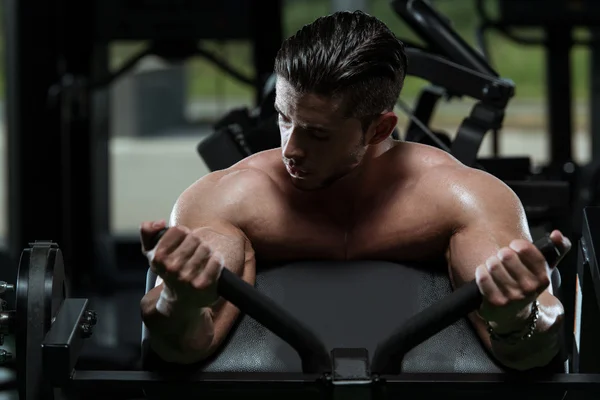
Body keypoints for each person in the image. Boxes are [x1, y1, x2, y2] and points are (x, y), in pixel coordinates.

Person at [140, 10, 571, 370]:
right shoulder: (229, 199)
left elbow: (532, 353)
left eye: (317, 134)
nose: (290, 148)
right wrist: (179, 304)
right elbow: (181, 348)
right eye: (283, 118)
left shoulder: (461, 199)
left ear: (380, 128)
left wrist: (517, 318)